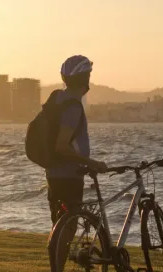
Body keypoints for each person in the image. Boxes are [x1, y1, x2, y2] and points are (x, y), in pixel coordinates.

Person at [46, 55, 108, 226]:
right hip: (69, 175)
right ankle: (61, 251)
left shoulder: (57, 98)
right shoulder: (73, 106)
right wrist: (91, 162)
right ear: (85, 78)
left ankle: (57, 252)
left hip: (53, 172)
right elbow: (62, 145)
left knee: (59, 224)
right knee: (68, 226)